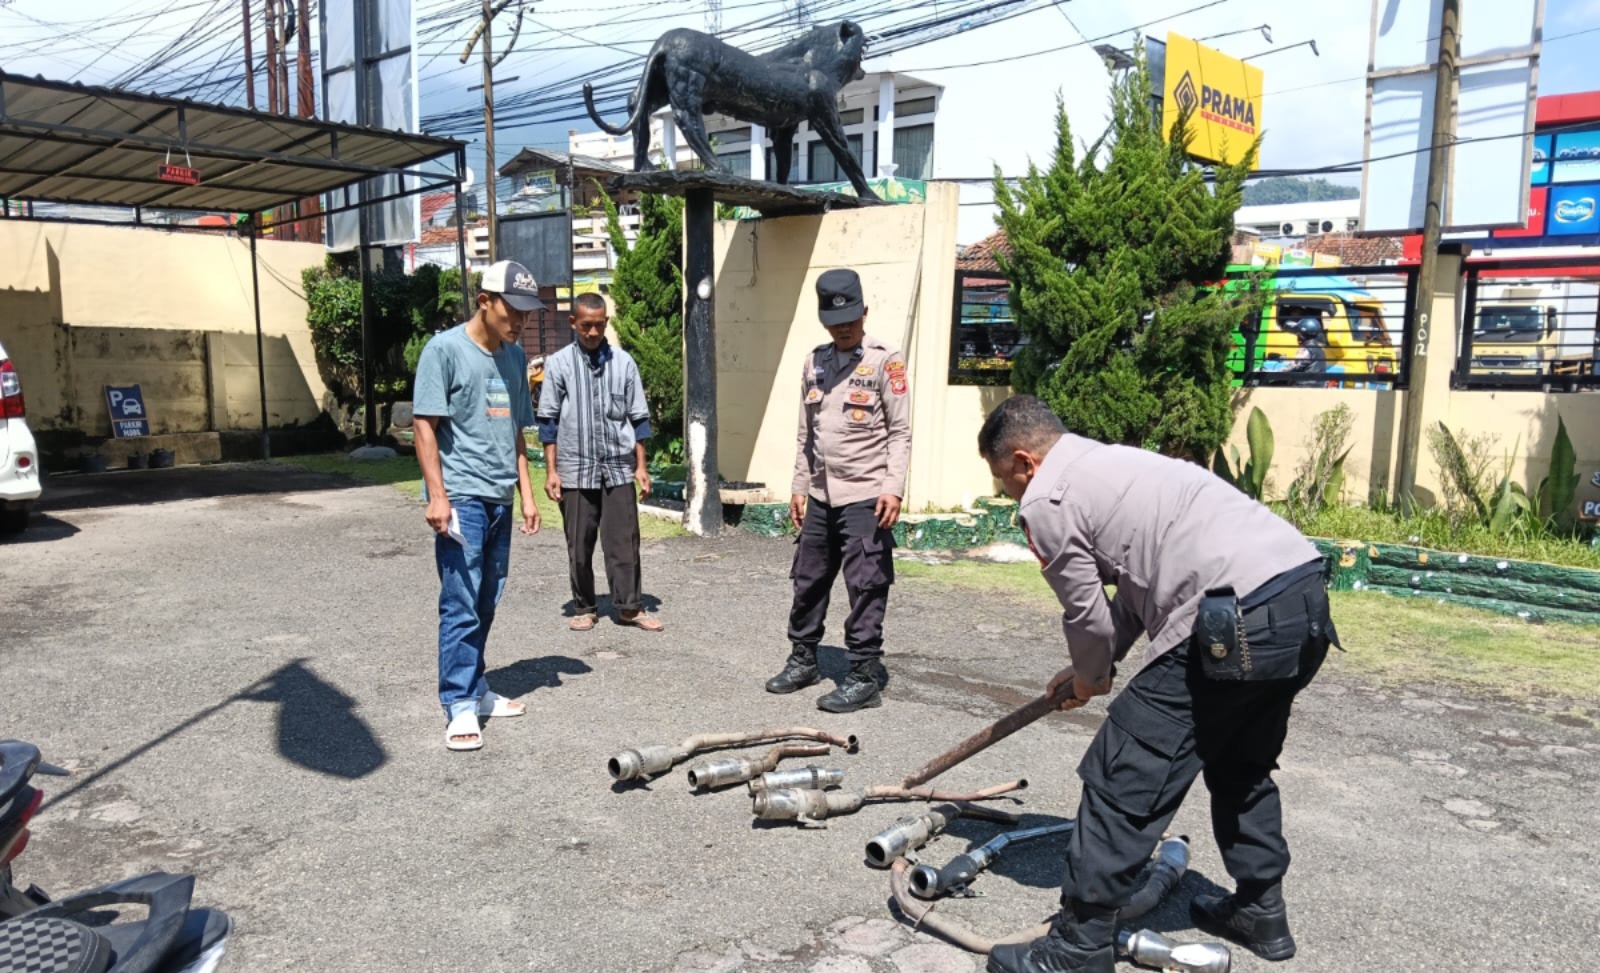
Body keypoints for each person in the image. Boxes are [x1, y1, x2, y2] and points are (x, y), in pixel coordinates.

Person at [975, 396, 1339, 973]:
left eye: (1005, 482)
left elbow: (1086, 613)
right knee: (1240, 761)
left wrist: (1093, 679)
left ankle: (1078, 946)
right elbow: (1135, 598)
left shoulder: (1048, 498)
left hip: (1229, 617)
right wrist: (1089, 670)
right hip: (1300, 600)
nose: (1010, 495)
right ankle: (1260, 910)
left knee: (1126, 770)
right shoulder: (1119, 464)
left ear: (1024, 462)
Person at [765, 268, 912, 713]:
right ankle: (804, 658)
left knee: (865, 584)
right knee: (807, 579)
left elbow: (901, 432)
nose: (843, 328)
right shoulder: (814, 362)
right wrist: (798, 485)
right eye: (834, 321)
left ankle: (865, 676)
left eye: (850, 319)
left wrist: (894, 488)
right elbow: (804, 433)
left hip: (867, 495)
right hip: (821, 495)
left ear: (864, 312)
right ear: (824, 320)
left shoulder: (887, 362)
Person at [413, 260, 544, 752]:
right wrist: (438, 495)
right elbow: (424, 425)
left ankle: (476, 687)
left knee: (487, 597)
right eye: (514, 310)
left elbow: (514, 431)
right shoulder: (443, 350)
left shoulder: (512, 358)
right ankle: (459, 703)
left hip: (500, 495)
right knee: (461, 601)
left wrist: (527, 495)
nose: (521, 322)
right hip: (462, 496)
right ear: (485, 301)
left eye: (528, 315)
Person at [537, 292, 662, 633]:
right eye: (586, 325)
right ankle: (584, 606)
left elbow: (639, 420)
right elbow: (548, 422)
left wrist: (641, 467)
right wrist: (551, 472)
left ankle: (630, 607)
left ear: (606, 323)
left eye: (599, 325)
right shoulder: (559, 364)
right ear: (573, 323)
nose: (592, 332)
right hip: (574, 469)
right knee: (579, 544)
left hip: (619, 468)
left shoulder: (624, 364)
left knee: (624, 542)